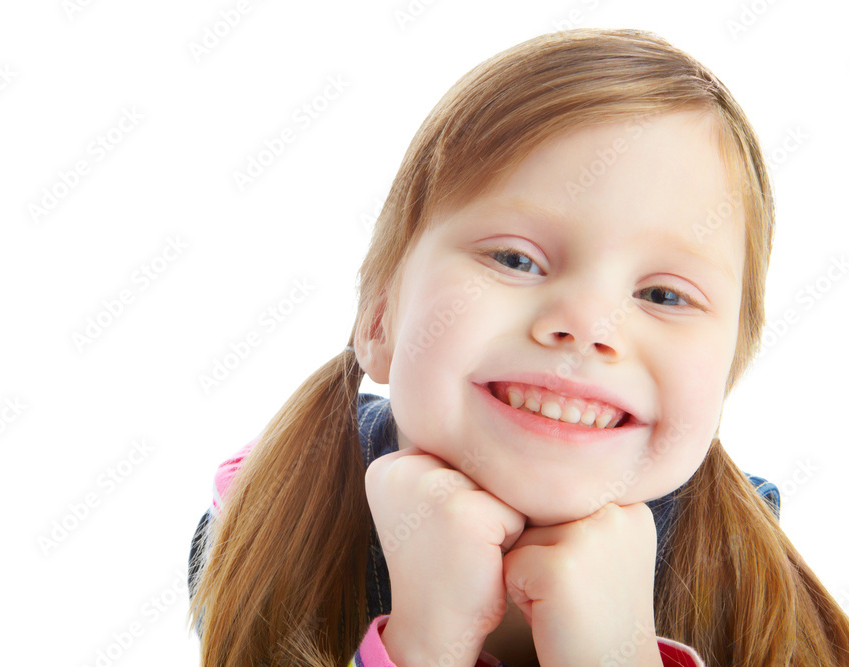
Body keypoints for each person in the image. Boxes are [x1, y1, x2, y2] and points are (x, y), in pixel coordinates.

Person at [187, 28, 849, 666]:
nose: (589, 324)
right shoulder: (264, 521)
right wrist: (422, 646)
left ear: (725, 377)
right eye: (514, 257)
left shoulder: (756, 595)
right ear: (380, 319)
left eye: (664, 296)